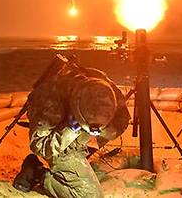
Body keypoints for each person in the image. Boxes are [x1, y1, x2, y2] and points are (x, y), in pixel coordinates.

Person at [13, 60, 130, 197]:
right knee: (91, 196)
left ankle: (76, 161)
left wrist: (104, 129)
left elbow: (122, 121)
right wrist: (69, 130)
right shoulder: (51, 100)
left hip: (79, 137)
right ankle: (38, 173)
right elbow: (39, 146)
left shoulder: (104, 89)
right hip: (59, 139)